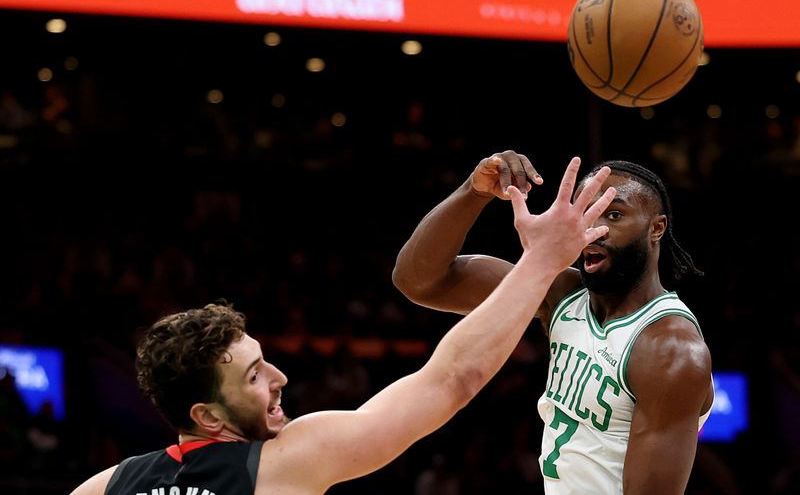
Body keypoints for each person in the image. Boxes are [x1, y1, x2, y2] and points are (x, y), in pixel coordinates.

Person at [70, 157, 616, 495]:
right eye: (255, 376)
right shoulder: (283, 465)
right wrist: (544, 259)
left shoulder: (105, 487)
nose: (279, 377)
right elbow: (453, 378)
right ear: (208, 415)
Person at [392, 150, 714, 494]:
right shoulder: (560, 293)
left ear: (657, 228)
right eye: (585, 216)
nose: (595, 230)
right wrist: (475, 191)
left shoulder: (670, 350)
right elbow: (419, 281)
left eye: (614, 215)